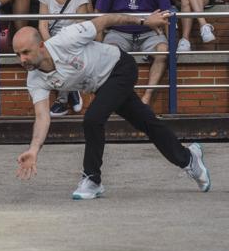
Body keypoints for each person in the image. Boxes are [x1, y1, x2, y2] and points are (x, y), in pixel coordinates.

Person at [13, 13, 211, 199]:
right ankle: (188, 159)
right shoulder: (35, 79)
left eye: (25, 53)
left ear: (41, 46)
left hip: (120, 67)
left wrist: (144, 22)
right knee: (146, 122)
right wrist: (34, 150)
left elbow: (106, 20)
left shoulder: (67, 39)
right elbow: (42, 116)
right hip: (102, 85)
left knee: (93, 119)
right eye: (17, 55)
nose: (22, 60)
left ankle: (92, 179)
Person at [95, 0, 169, 105]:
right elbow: (98, 14)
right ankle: (123, 97)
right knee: (109, 53)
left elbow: (166, 13)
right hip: (119, 32)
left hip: (150, 31)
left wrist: (171, 44)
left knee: (163, 52)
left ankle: (147, 97)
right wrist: (97, 45)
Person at [38, 0, 90, 117]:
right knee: (52, 56)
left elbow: (81, 26)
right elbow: (42, 25)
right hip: (52, 37)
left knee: (63, 55)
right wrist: (51, 44)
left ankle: (61, 100)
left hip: (72, 37)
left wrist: (63, 43)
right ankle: (71, 89)